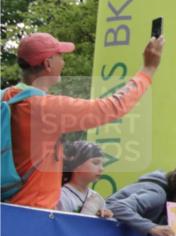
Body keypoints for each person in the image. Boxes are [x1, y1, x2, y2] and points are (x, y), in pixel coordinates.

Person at [2, 32, 164, 208]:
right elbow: (112, 107)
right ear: (48, 64)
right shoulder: (45, 107)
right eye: (60, 56)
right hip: (34, 212)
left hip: (7, 208)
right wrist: (147, 70)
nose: (63, 62)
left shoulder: (6, 97)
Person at [57, 140, 113, 218]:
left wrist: (106, 219)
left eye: (102, 164)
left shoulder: (98, 198)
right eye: (95, 163)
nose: (101, 169)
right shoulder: (61, 196)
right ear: (76, 165)